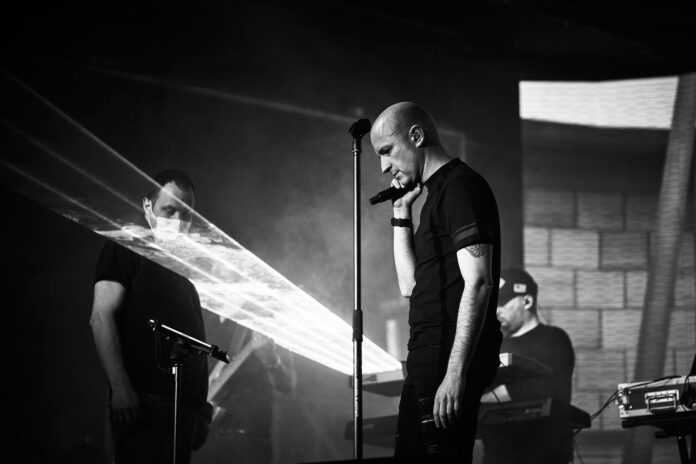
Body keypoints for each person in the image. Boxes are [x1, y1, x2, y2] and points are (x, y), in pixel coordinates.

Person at [370, 102, 503, 463]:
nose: (383, 167)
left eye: (387, 151)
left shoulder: (461, 187)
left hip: (446, 359)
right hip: (427, 358)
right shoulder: (435, 197)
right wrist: (401, 214)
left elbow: (480, 282)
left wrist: (455, 372)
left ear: (416, 136)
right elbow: (410, 287)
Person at [89, 169, 212, 464]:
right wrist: (121, 388)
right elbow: (101, 317)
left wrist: (200, 412)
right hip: (144, 407)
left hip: (181, 414)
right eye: (169, 210)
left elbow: (197, 350)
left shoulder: (186, 282)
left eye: (186, 214)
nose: (178, 222)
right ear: (148, 207)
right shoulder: (126, 250)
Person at [480, 267, 576, 464]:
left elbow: (540, 388)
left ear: (527, 301)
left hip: (541, 454)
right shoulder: (498, 345)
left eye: (502, 303)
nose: (496, 310)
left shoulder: (553, 338)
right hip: (498, 455)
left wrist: (479, 400)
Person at [194, 316, 296, 464]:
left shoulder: (265, 320)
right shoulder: (202, 318)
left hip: (245, 442)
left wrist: (272, 361)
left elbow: (288, 384)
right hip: (200, 439)